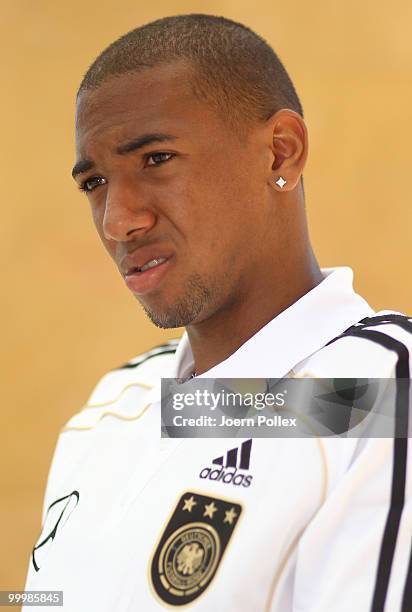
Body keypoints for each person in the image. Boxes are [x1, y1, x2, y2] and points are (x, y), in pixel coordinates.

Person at [24, 14, 412, 612]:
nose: (117, 220)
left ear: (281, 153)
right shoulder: (112, 408)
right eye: (95, 181)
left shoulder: (380, 393)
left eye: (156, 159)